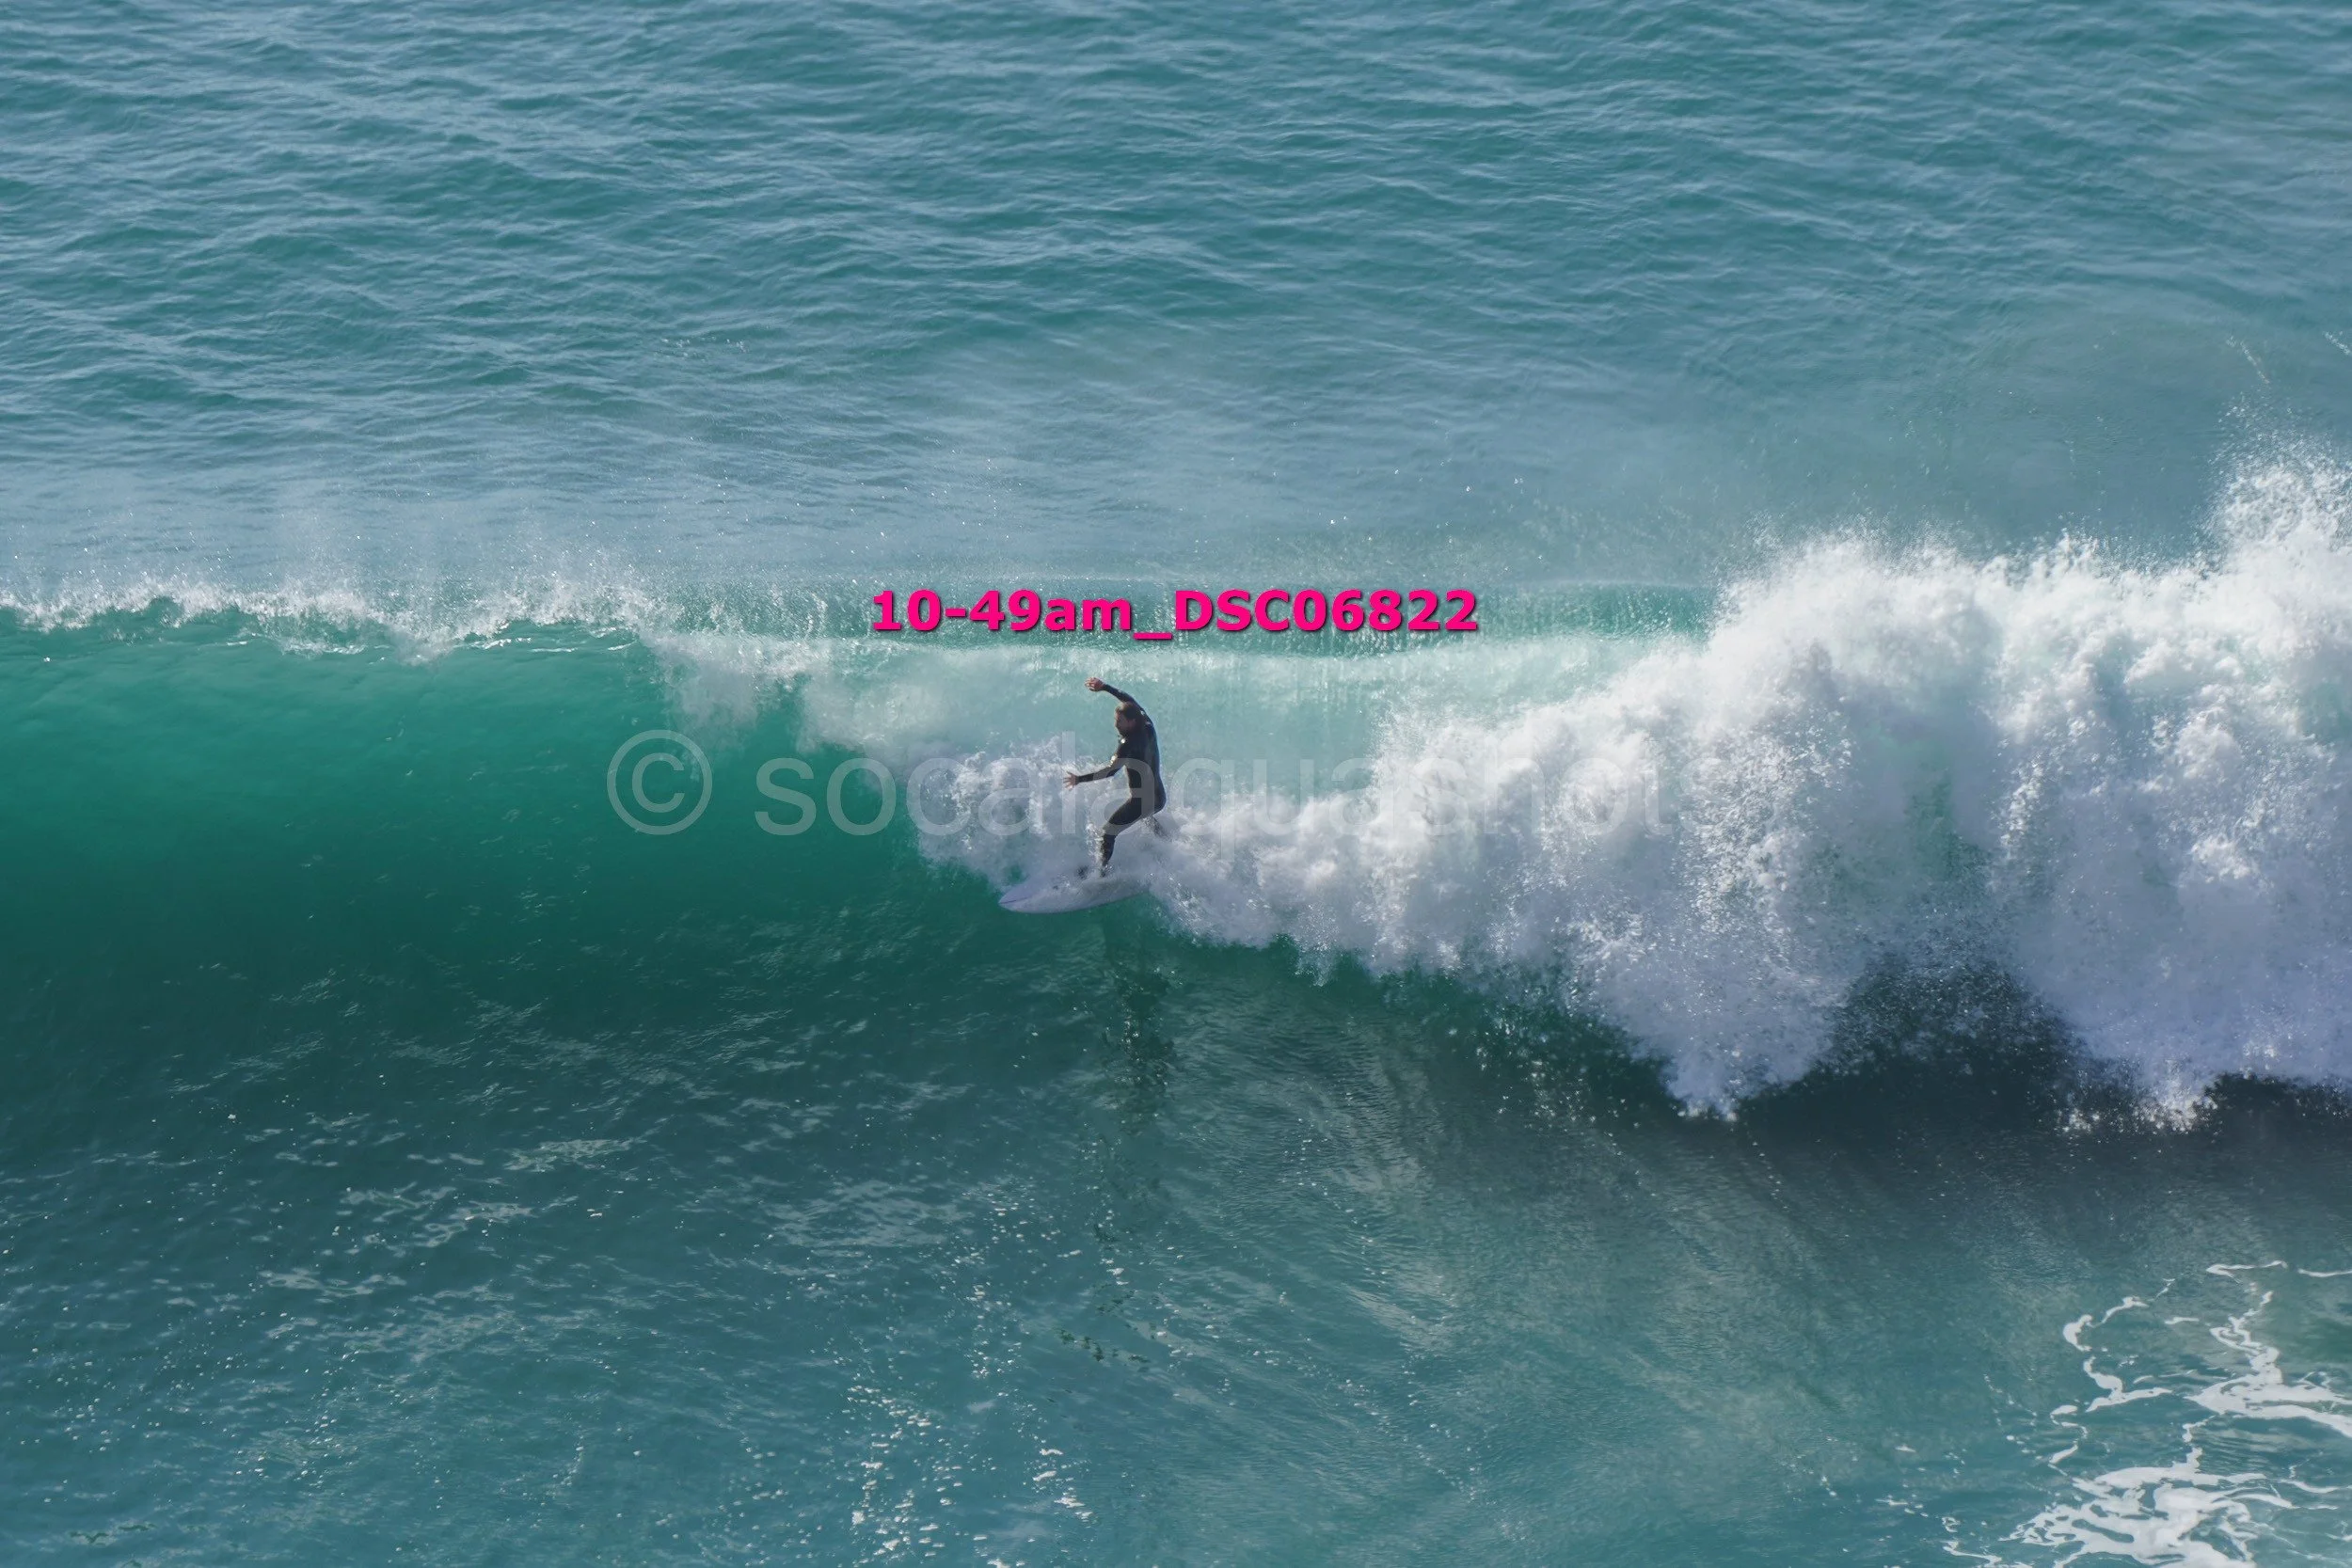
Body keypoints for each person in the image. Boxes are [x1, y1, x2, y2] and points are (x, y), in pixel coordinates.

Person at [1064, 677, 1166, 871]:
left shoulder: (1127, 745)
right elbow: (1130, 700)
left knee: (1109, 832)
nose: (1115, 724)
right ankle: (1167, 842)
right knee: (1146, 816)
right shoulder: (1147, 725)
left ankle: (1101, 872)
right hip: (1159, 798)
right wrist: (1105, 688)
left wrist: (1079, 779)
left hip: (1142, 803)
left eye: (1120, 721)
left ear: (1131, 722)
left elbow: (1110, 772)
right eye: (1115, 720)